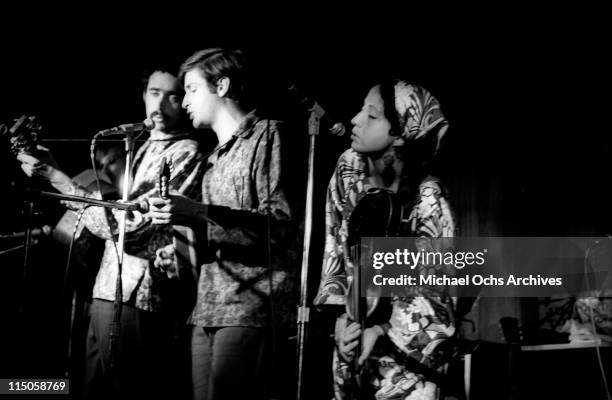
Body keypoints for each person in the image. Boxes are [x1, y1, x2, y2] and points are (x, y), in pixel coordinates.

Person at [17, 66, 204, 399]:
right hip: (106, 289)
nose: (161, 104)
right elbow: (105, 219)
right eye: (154, 93)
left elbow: (128, 229)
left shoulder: (184, 152)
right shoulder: (141, 148)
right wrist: (54, 172)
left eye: (174, 95)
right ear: (144, 97)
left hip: (140, 295)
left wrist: (59, 179)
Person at [149, 48, 297, 400]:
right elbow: (216, 233)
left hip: (253, 307)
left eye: (191, 89)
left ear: (222, 85)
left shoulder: (268, 135)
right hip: (207, 308)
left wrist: (198, 212)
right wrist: (181, 252)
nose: (183, 101)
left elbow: (280, 226)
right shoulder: (211, 159)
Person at [313, 80, 456, 400]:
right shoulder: (347, 169)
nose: (355, 119)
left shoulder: (427, 195)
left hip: (407, 359)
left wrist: (379, 329)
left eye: (372, 115)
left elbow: (438, 293)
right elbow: (334, 250)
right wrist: (339, 319)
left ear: (401, 133)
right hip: (353, 344)